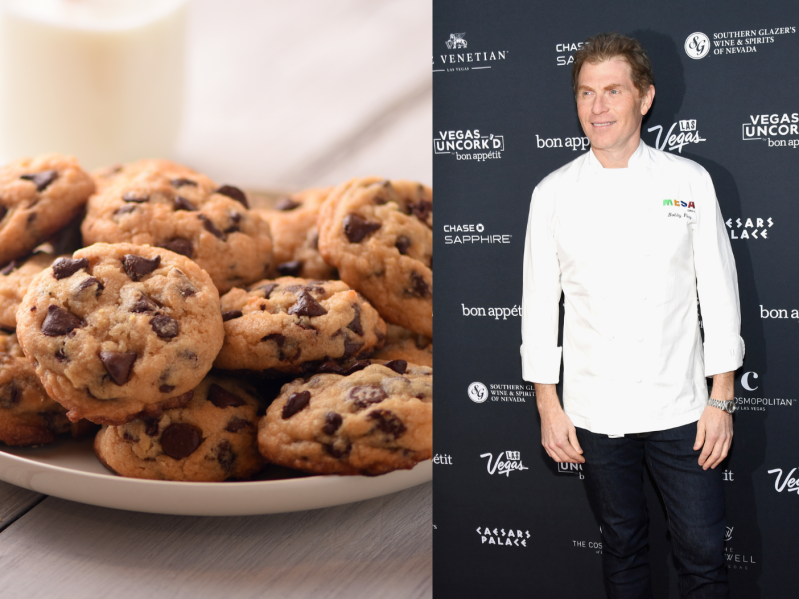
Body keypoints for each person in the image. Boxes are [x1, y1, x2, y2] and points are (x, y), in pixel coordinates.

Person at [520, 32, 742, 599]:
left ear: (643, 98)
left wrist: (721, 397)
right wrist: (549, 404)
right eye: (586, 92)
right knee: (621, 550)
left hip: (685, 410)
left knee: (704, 558)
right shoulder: (552, 193)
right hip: (596, 413)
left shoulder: (689, 183)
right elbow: (540, 304)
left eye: (612, 91)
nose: (598, 107)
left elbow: (718, 292)